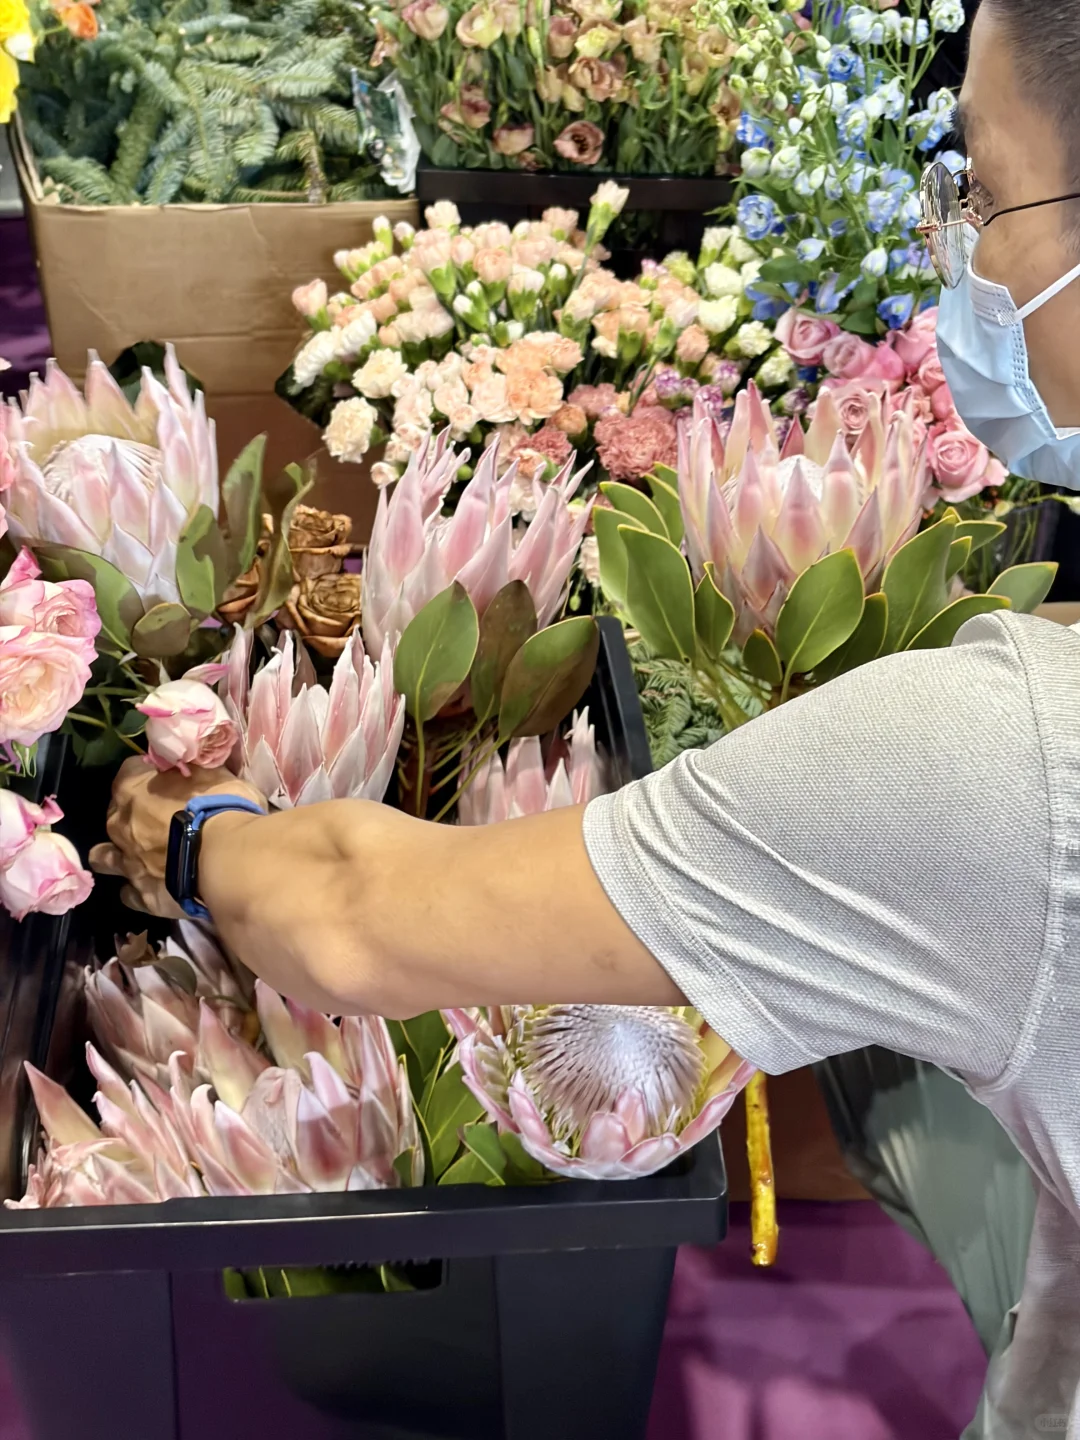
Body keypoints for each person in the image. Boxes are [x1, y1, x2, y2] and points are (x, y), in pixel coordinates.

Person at [91, 2, 1080, 1435]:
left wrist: (190, 836)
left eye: (982, 191)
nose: (958, 252)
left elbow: (360, 921)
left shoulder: (1002, 758)